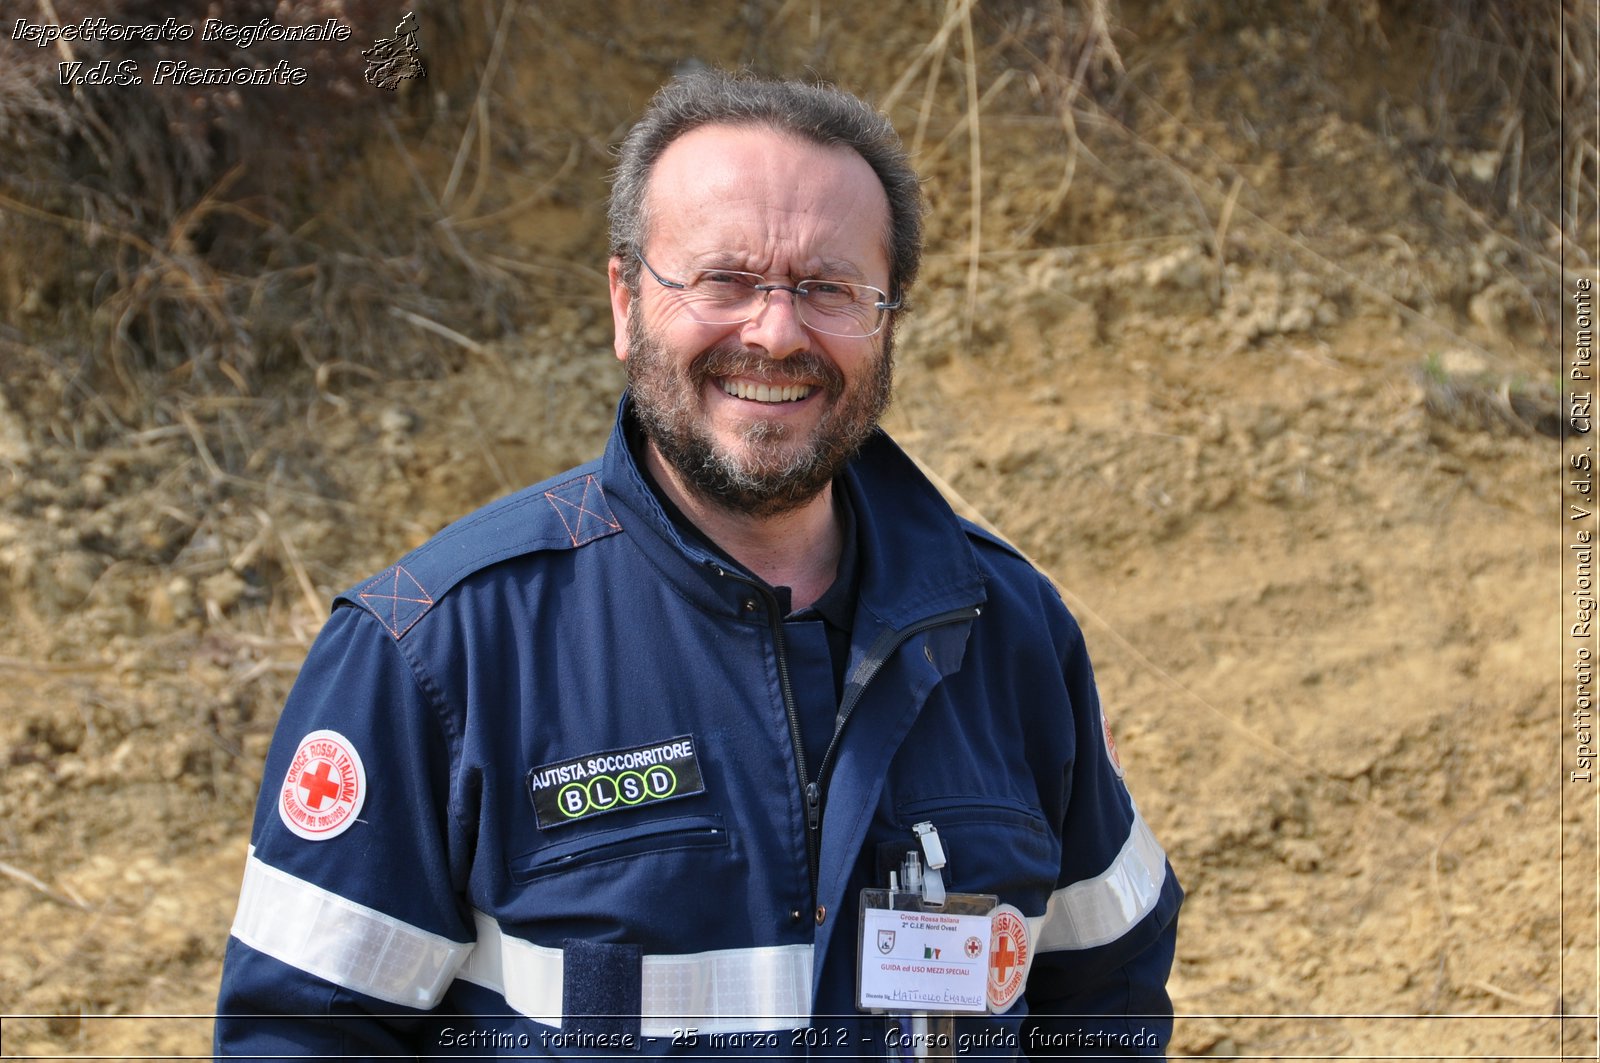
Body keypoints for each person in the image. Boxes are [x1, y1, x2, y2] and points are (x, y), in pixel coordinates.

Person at [215, 69, 1182, 1058]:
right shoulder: (437, 649)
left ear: (887, 320)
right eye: (724, 280)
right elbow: (302, 1036)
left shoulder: (1005, 625)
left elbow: (1106, 987)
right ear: (626, 303)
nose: (775, 330)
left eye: (829, 288)